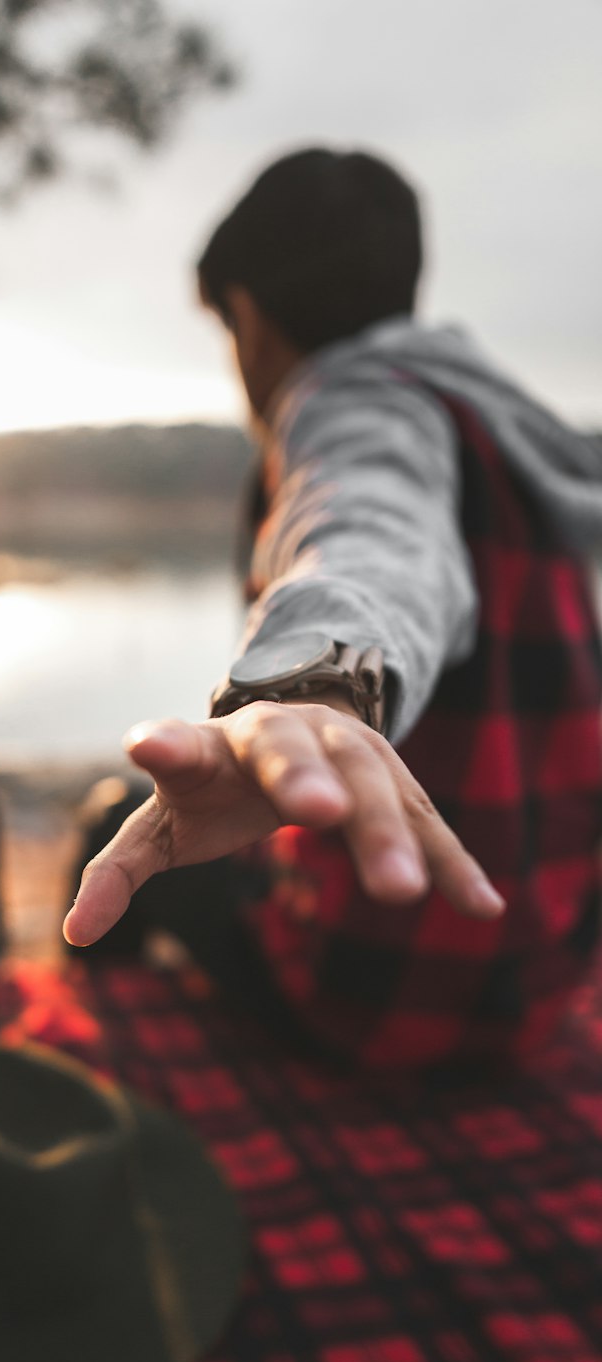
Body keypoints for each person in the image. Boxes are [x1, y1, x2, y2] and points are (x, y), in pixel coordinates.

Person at [64, 145, 602, 1073]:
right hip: (543, 984)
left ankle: (102, 1065)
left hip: (375, 999)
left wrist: (316, 682)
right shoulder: (504, 438)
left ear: (248, 316)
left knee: (116, 824)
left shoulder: (354, 407)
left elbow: (367, 525)